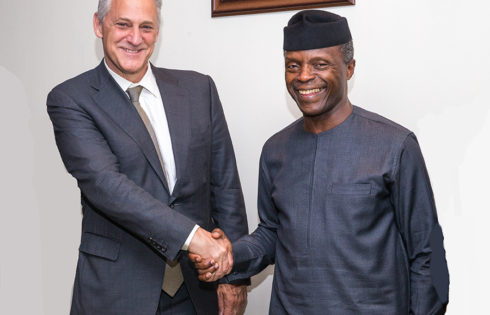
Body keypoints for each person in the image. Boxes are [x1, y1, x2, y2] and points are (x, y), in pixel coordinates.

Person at [191, 10, 449, 314]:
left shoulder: (395, 146)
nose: (303, 76)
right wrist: (231, 255)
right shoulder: (275, 151)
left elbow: (427, 253)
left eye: (320, 64)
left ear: (349, 68)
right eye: (293, 65)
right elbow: (272, 233)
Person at [46, 0, 249, 314]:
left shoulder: (199, 89)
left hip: (198, 290)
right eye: (123, 24)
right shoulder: (71, 99)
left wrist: (234, 274)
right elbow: (108, 187)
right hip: (117, 290)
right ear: (99, 26)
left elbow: (226, 187)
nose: (135, 38)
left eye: (146, 27)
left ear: (158, 31)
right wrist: (197, 239)